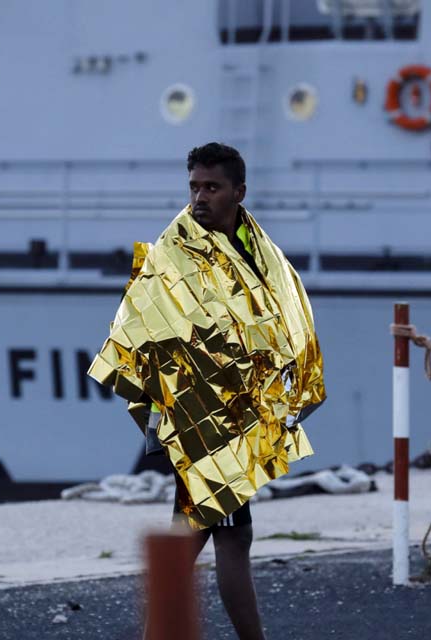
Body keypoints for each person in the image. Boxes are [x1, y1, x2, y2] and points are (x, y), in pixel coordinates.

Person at [89, 143, 325, 639]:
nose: (200, 197)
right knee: (220, 536)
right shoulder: (177, 247)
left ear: (239, 192)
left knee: (214, 534)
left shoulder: (256, 245)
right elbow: (141, 321)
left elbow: (279, 310)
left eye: (211, 188)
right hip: (203, 420)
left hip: (238, 417)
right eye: (194, 186)